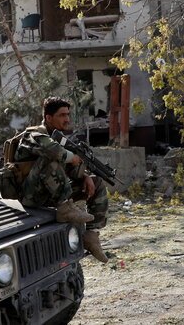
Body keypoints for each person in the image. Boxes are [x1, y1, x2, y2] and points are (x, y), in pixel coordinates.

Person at [14, 97, 109, 263]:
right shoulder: (34, 134)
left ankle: (91, 236)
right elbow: (54, 152)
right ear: (49, 118)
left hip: (52, 193)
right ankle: (65, 207)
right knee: (51, 156)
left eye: (68, 115)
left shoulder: (58, 139)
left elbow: (65, 168)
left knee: (97, 182)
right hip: (31, 195)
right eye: (62, 115)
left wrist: (85, 176)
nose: (67, 119)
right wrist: (72, 157)